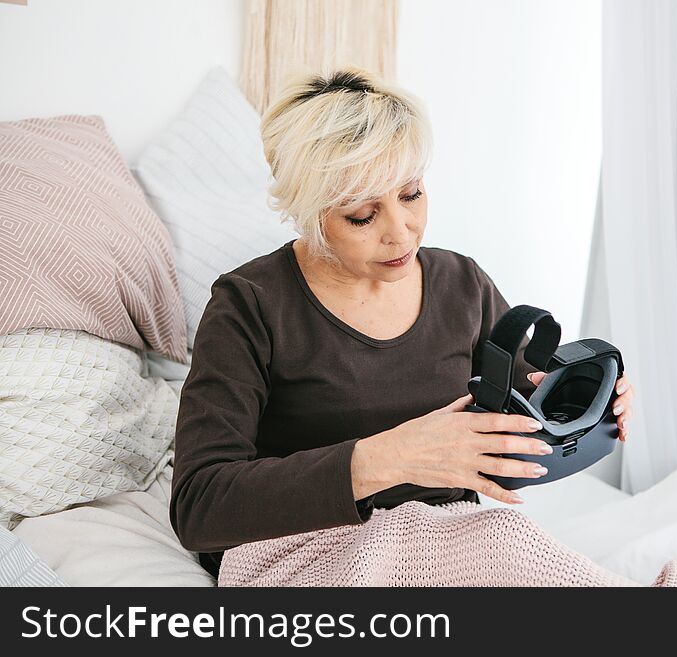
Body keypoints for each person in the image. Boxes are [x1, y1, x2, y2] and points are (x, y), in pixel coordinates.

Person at [169, 67, 635, 579]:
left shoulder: (461, 284)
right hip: (304, 550)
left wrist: (591, 404)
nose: (401, 233)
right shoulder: (249, 306)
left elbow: (527, 413)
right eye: (363, 217)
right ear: (308, 212)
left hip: (454, 538)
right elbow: (200, 506)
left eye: (410, 194)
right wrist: (388, 458)